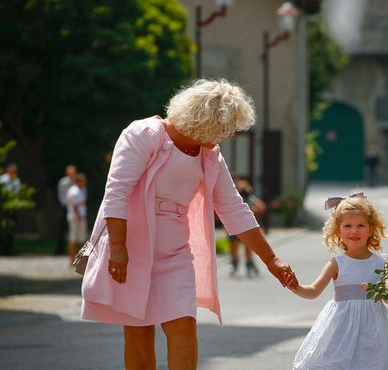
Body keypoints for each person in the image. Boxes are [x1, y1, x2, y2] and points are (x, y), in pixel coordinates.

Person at [80, 79, 298, 369]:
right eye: (225, 128)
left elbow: (234, 209)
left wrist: (273, 260)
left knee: (183, 326)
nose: (228, 135)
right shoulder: (143, 134)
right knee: (139, 333)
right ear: (205, 120)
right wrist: (118, 247)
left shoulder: (210, 155)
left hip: (176, 256)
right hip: (132, 249)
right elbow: (116, 191)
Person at [288, 192, 388, 370]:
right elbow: (313, 290)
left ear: (371, 229)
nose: (354, 231)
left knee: (371, 363)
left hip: (373, 327)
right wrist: (296, 286)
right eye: (347, 226)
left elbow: (386, 297)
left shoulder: (381, 263)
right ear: (338, 231)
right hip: (341, 326)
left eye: (361, 225)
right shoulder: (337, 264)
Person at [229, 177, 267, 277]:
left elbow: (261, 207)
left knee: (248, 246)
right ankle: (235, 264)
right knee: (234, 247)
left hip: (246, 225)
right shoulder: (234, 197)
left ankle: (248, 264)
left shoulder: (250, 197)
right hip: (234, 225)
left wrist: (254, 210)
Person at [55, 164, 77, 255]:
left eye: (74, 173)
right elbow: (61, 195)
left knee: (73, 229)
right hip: (65, 207)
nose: (72, 175)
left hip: (75, 208)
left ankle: (73, 250)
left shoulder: (76, 182)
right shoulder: (63, 182)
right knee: (61, 229)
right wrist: (67, 204)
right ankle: (59, 250)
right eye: (71, 173)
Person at [66, 172, 88, 264]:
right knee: (73, 238)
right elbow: (74, 205)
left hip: (80, 217)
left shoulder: (82, 190)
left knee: (81, 238)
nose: (85, 183)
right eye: (83, 181)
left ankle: (79, 260)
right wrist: (78, 215)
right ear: (79, 182)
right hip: (75, 218)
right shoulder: (73, 191)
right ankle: (72, 259)